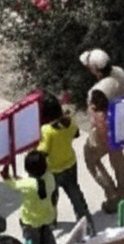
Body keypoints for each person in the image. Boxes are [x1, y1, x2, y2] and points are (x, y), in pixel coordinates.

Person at [80, 49, 124, 212]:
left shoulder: (98, 92)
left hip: (106, 132)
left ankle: (111, 194)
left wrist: (102, 140)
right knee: (118, 160)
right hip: (121, 125)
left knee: (91, 159)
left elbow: (99, 119)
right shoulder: (119, 72)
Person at [38, 95, 93, 235]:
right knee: (75, 194)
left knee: (52, 197)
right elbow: (76, 134)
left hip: (53, 170)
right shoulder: (69, 122)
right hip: (70, 164)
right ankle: (86, 222)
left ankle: (51, 221)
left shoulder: (47, 130)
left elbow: (43, 151)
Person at [1, 151, 57, 244]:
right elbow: (33, 184)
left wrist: (7, 176)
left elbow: (13, 186)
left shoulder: (27, 185)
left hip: (31, 221)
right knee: (47, 235)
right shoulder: (50, 177)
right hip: (48, 216)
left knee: (34, 243)